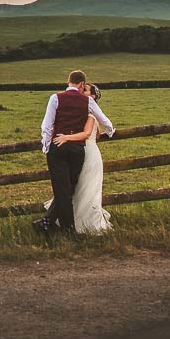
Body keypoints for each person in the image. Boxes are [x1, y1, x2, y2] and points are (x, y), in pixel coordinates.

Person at [33, 70, 114, 235]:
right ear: (82, 84)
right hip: (78, 150)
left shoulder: (55, 98)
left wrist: (47, 147)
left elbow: (46, 126)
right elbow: (106, 122)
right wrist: (111, 132)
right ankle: (58, 226)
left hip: (59, 147)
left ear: (69, 82)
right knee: (69, 189)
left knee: (62, 189)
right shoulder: (87, 102)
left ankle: (63, 228)